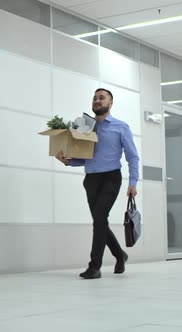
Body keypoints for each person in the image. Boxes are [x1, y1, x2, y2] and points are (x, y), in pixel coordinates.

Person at [56, 88, 139, 279]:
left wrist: (133, 182)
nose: (97, 100)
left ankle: (95, 266)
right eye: (95, 98)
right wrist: (67, 161)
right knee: (100, 221)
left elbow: (133, 157)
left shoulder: (121, 127)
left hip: (111, 178)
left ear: (111, 103)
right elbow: (85, 157)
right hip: (91, 179)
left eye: (102, 98)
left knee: (100, 218)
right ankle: (120, 255)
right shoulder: (85, 127)